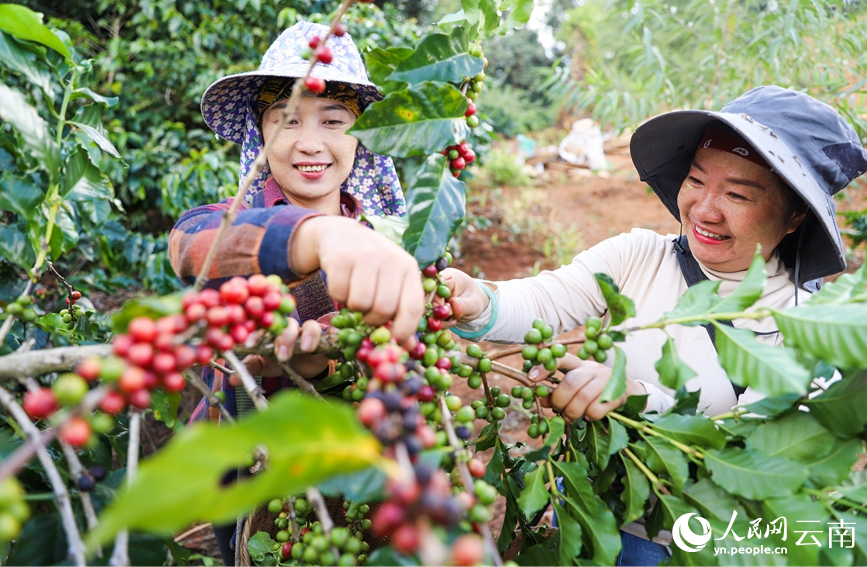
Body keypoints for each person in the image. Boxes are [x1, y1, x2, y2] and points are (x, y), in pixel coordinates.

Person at [443, 85, 867, 564]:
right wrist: (477, 299)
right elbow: (546, 299)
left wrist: (633, 394)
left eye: (737, 194)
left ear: (794, 217)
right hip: (587, 509)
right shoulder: (637, 256)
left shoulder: (805, 328)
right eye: (696, 180)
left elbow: (749, 448)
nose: (705, 210)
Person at [167, 22, 423, 562]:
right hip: (247, 473)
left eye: (333, 121)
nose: (310, 143)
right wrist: (316, 235)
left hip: (362, 472)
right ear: (261, 136)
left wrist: (325, 364)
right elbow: (194, 246)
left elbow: (401, 348)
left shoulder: (390, 241)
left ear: (361, 137)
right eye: (287, 121)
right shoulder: (237, 225)